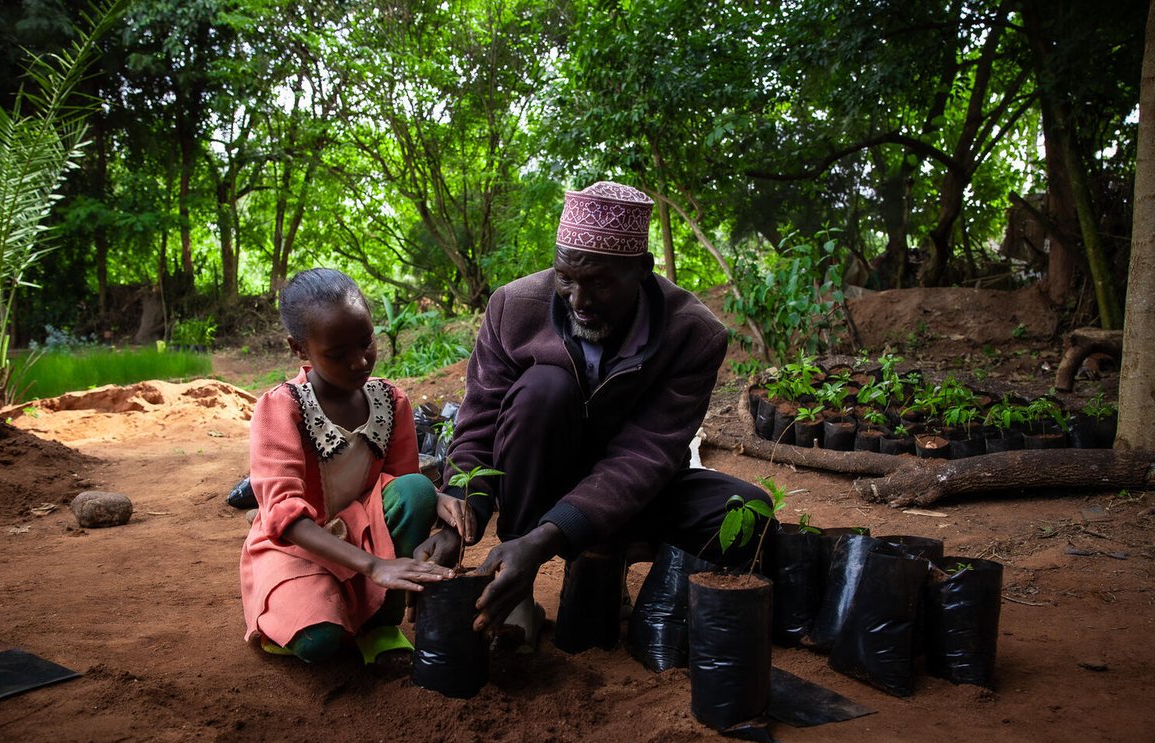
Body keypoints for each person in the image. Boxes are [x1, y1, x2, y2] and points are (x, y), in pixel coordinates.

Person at [415, 181, 774, 650]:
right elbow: (479, 422)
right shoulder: (513, 308)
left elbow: (644, 457)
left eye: (600, 282)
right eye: (566, 278)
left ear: (641, 271)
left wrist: (552, 537)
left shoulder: (694, 334)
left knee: (747, 511)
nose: (579, 299)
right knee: (543, 390)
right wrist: (459, 512)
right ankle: (515, 585)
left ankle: (604, 555)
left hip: (631, 489)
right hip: (540, 472)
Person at [240, 268, 469, 665]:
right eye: (337, 353)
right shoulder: (281, 409)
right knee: (321, 643)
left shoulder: (390, 402)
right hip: (296, 549)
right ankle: (293, 615)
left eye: (366, 343)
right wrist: (375, 566)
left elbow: (398, 483)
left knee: (415, 488)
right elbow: (285, 518)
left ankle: (382, 623)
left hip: (362, 534)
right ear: (299, 349)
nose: (359, 360)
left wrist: (437, 494)